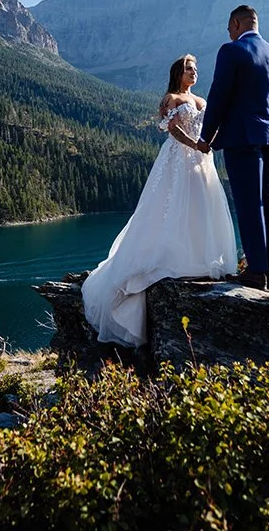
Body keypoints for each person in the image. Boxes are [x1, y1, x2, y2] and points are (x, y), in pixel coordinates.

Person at [82, 54, 238, 348]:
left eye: (195, 69)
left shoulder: (201, 100)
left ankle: (200, 257)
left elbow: (210, 125)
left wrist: (210, 142)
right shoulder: (171, 99)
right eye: (188, 69)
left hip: (202, 160)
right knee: (172, 204)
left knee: (201, 205)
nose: (193, 73)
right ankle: (171, 258)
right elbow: (173, 129)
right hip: (179, 159)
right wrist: (196, 145)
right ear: (178, 72)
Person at [196, 5, 269, 291]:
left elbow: (219, 95)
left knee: (249, 202)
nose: (229, 33)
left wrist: (206, 136)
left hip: (242, 136)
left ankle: (256, 271)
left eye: (229, 28)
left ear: (236, 24)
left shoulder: (232, 50)